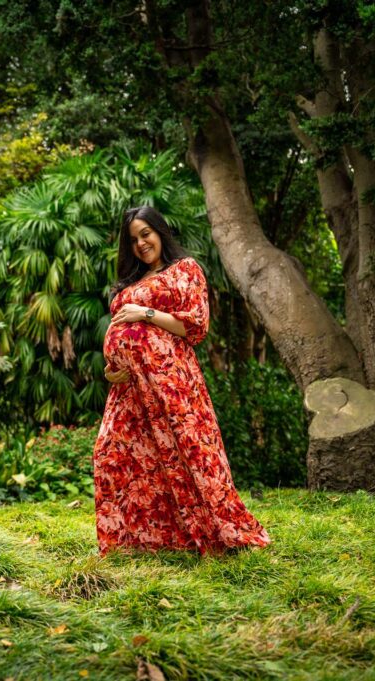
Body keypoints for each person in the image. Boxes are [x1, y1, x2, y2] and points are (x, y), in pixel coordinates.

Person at [93, 205, 272, 557]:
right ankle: (142, 541)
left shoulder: (184, 270)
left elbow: (195, 326)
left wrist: (145, 313)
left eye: (146, 233)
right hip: (129, 388)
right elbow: (118, 334)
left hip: (170, 380)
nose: (141, 243)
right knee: (112, 453)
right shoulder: (130, 283)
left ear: (160, 231)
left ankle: (216, 534)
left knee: (187, 454)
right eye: (133, 240)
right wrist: (111, 369)